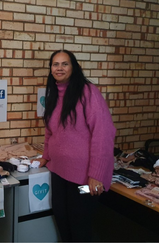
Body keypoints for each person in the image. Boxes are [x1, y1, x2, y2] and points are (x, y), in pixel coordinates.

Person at [37, 50, 116, 242]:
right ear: (51, 69)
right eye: (55, 64)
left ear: (74, 67)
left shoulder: (88, 92)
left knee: (79, 223)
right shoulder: (54, 94)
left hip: (85, 180)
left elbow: (104, 134)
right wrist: (45, 156)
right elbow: (50, 131)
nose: (59, 68)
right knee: (62, 219)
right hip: (59, 173)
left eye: (65, 64)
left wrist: (96, 175)